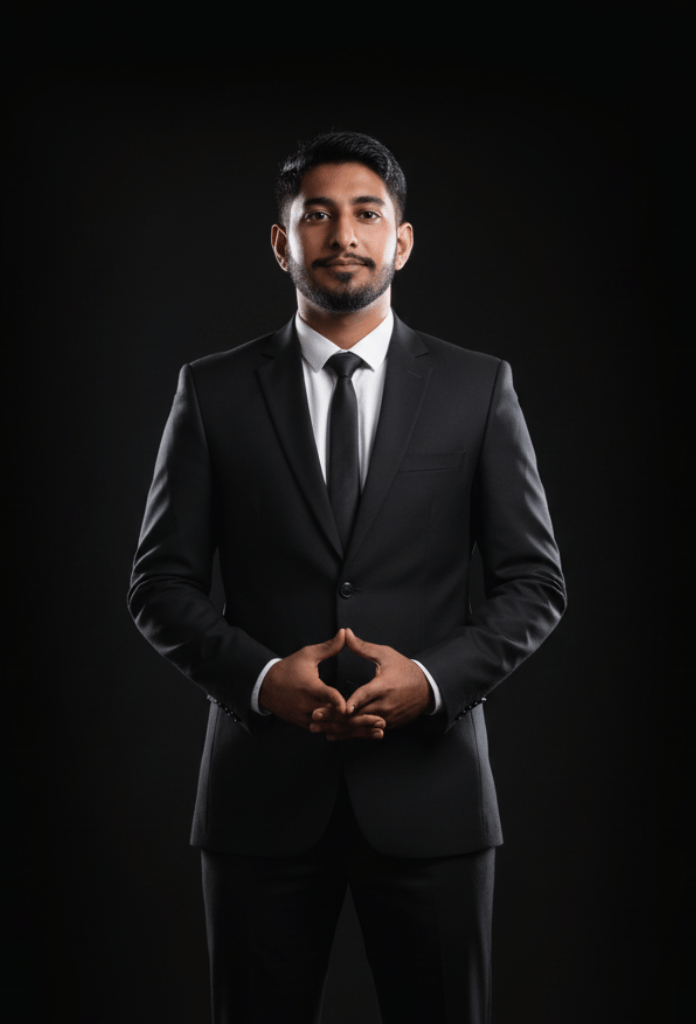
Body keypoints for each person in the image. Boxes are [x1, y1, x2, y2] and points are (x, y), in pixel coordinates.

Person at [128, 130, 566, 1024]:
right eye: (316, 215)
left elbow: (534, 584)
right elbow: (160, 585)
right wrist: (258, 680)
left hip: (433, 796)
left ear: (401, 241)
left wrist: (434, 679)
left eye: (367, 214)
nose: (344, 236)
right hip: (259, 800)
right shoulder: (209, 391)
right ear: (282, 242)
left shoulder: (479, 389)